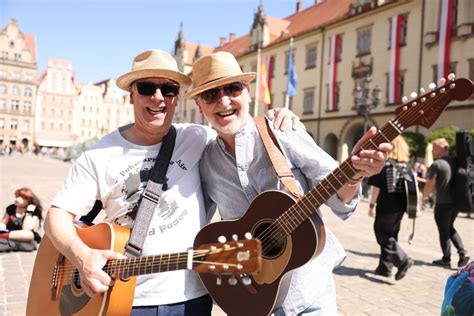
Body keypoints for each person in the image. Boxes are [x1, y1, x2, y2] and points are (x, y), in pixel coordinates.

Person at [43, 49, 299, 315]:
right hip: (125, 299)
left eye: (168, 89)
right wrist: (82, 256)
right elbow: (56, 216)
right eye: (146, 87)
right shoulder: (100, 154)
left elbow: (237, 127)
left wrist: (275, 120)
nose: (158, 98)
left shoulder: (198, 138)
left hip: (193, 298)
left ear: (177, 98)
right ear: (132, 94)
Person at [187, 51, 393, 315]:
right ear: (200, 106)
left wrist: (354, 173)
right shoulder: (206, 162)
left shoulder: (281, 130)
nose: (224, 100)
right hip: (251, 296)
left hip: (308, 295)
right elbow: (195, 224)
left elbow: (340, 198)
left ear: (247, 92)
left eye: (232, 88)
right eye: (210, 94)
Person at [367, 135, 414, 280]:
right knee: (392, 236)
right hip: (400, 207)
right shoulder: (406, 167)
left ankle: (402, 260)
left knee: (382, 233)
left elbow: (376, 187)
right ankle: (385, 268)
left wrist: (371, 205)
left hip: (386, 205)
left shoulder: (384, 165)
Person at [422, 138, 469, 268]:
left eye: (435, 148)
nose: (433, 150)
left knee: (444, 230)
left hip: (443, 203)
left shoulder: (437, 164)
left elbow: (430, 183)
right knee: (450, 227)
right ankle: (462, 253)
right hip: (456, 203)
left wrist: (425, 197)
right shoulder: (456, 161)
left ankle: (446, 259)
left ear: (442, 147)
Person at [0, 187, 43, 252]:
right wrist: (2, 227)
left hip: (21, 235)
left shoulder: (34, 211)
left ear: (28, 200)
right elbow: (3, 222)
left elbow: (26, 229)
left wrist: (29, 212)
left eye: (21, 197)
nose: (17, 199)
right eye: (17, 197)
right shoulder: (11, 208)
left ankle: (2, 235)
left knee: (29, 235)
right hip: (8, 232)